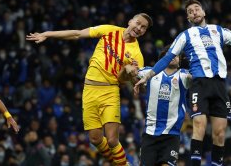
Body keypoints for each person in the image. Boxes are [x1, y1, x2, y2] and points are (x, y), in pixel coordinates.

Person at [134, 0, 231, 166]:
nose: (194, 12)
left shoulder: (218, 31)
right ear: (188, 19)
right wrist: (148, 75)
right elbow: (167, 59)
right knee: (199, 125)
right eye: (190, 12)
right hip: (199, 83)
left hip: (219, 85)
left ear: (204, 12)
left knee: (220, 133)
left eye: (196, 9)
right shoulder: (184, 36)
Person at [26, 13, 153, 165]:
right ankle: (119, 163)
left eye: (143, 27)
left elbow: (131, 82)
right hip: (89, 90)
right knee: (95, 139)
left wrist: (131, 74)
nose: (138, 28)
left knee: (112, 140)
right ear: (130, 21)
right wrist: (48, 34)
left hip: (110, 92)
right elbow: (77, 34)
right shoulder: (109, 30)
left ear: (144, 32)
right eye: (138, 23)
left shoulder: (136, 55)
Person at [138, 46, 191, 166]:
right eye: (169, 55)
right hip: (150, 133)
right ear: (162, 59)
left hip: (171, 135)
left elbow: (194, 78)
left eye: (176, 55)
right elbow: (132, 72)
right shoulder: (149, 73)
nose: (172, 57)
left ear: (180, 60)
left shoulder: (183, 75)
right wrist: (129, 69)